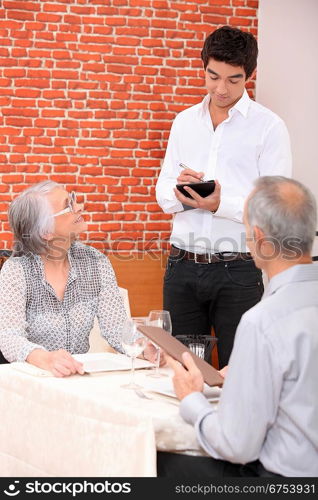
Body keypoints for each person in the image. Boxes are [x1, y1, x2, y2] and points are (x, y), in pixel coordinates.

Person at [157, 176, 318, 477]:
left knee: (155, 460)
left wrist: (191, 399)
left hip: (282, 479)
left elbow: (236, 446)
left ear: (258, 237)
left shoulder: (263, 321)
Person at [156, 26, 292, 368]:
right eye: (213, 76)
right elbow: (162, 195)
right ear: (203, 66)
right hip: (181, 268)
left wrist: (220, 203)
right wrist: (181, 191)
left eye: (234, 79)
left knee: (243, 372)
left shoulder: (269, 128)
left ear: (250, 74)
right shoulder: (184, 122)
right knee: (182, 371)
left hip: (239, 271)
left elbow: (274, 209)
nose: (221, 88)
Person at [0, 181, 156, 376]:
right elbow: (9, 338)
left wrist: (144, 348)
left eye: (73, 200)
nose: (79, 207)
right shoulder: (16, 270)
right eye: (68, 205)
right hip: (34, 380)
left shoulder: (96, 262)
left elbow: (116, 327)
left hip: (78, 377)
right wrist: (46, 358)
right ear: (45, 232)